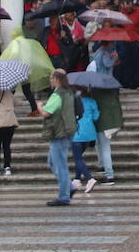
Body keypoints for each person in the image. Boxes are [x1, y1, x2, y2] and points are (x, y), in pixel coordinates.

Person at [42, 69, 79, 206]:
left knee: (60, 164)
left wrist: (39, 107)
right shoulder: (69, 92)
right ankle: (69, 187)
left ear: (57, 79)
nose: (50, 81)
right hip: (67, 131)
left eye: (52, 78)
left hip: (59, 132)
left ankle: (64, 196)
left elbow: (47, 112)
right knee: (52, 162)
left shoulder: (58, 95)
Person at [72, 87, 100, 192]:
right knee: (79, 157)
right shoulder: (92, 101)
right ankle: (76, 179)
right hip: (89, 133)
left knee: (78, 158)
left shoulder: (74, 102)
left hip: (77, 133)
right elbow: (96, 117)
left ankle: (89, 178)